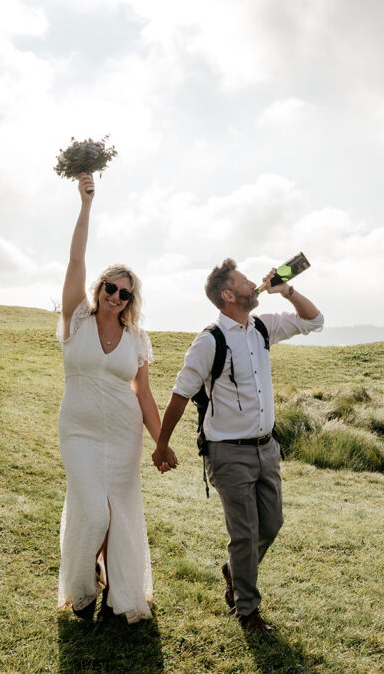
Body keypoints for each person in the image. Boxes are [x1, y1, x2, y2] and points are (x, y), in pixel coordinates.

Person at [151, 259, 323, 632]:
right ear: (229, 295)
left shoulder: (262, 327)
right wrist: (162, 445)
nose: (253, 283)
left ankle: (234, 569)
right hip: (227, 452)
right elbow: (180, 395)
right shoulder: (209, 341)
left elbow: (314, 321)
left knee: (272, 523)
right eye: (245, 281)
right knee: (244, 532)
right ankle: (247, 610)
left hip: (266, 447)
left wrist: (287, 290)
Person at [55, 172, 161, 623]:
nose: (116, 296)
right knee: (92, 510)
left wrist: (162, 441)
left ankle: (119, 592)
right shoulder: (76, 319)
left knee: (118, 514)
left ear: (131, 299)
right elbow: (75, 258)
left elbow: (145, 395)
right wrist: (85, 205)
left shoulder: (137, 338)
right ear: (99, 289)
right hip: (78, 430)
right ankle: (82, 589)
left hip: (123, 436)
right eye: (110, 288)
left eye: (125, 292)